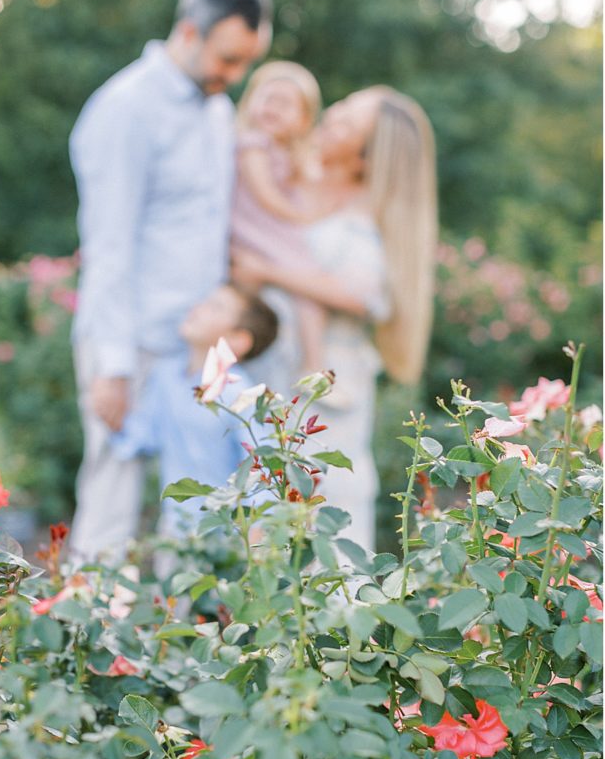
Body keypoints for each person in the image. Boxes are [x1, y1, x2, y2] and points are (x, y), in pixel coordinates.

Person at [68, 0, 272, 565]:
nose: (234, 77)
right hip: (130, 342)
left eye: (245, 64)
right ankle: (89, 650)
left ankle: (184, 651)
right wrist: (112, 365)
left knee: (197, 500)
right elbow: (108, 243)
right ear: (189, 32)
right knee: (112, 500)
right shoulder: (126, 108)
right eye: (229, 59)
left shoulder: (214, 109)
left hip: (196, 345)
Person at [233, 86, 438, 555]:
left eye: (346, 123)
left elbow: (365, 296)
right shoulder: (294, 178)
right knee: (259, 514)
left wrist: (267, 271)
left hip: (328, 387)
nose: (329, 120)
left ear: (366, 158)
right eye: (340, 108)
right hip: (269, 368)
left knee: (326, 516)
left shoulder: (363, 215)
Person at [111, 282, 278, 528]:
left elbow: (263, 470)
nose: (198, 308)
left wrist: (255, 539)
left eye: (215, 307)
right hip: (175, 528)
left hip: (226, 533)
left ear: (238, 340)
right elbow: (144, 437)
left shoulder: (242, 395)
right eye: (204, 301)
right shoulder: (166, 374)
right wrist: (111, 415)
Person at [231, 61, 330, 378]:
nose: (273, 108)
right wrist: (304, 217)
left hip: (272, 232)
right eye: (267, 98)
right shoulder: (252, 144)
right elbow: (266, 196)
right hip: (255, 230)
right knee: (305, 281)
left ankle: (313, 363)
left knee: (308, 293)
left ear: (302, 120)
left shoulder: (289, 153)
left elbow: (310, 186)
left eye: (285, 104)